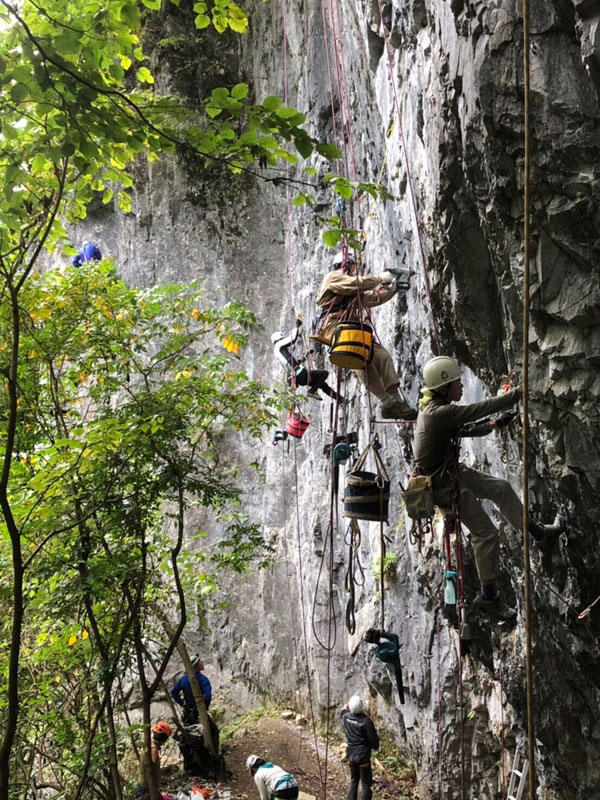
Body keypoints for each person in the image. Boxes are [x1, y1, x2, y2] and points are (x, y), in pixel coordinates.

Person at [413, 356, 565, 621]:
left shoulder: (437, 409)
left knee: (500, 488)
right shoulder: (438, 414)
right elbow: (477, 410)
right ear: (444, 387)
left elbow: (464, 429)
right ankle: (488, 596)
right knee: (486, 534)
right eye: (457, 382)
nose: (461, 386)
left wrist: (495, 424)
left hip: (449, 473)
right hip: (443, 486)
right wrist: (516, 394)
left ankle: (540, 534)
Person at [313, 251, 415, 419]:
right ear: (348, 265)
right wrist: (380, 279)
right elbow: (356, 283)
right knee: (359, 358)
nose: (355, 270)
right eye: (354, 267)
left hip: (351, 329)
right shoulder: (333, 278)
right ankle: (386, 401)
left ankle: (396, 402)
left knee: (383, 357)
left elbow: (372, 298)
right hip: (335, 327)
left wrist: (394, 287)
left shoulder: (350, 290)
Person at [272, 318, 346, 403]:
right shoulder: (278, 345)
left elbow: (290, 365)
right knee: (324, 373)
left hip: (300, 379)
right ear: (279, 338)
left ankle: (342, 400)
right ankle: (311, 391)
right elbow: (292, 339)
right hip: (301, 374)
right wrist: (297, 326)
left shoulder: (279, 354)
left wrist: (304, 357)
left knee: (323, 385)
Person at [340, 695, 379, 800]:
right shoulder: (366, 721)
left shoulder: (346, 717)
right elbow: (374, 741)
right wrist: (375, 747)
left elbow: (342, 714)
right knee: (366, 783)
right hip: (363, 757)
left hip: (352, 755)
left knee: (354, 780)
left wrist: (345, 708)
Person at [170, 655, 212, 724]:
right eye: (199, 662)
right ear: (196, 665)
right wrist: (205, 707)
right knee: (213, 729)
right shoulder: (203, 679)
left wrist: (182, 703)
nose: (202, 662)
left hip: (187, 712)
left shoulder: (183, 679)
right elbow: (208, 696)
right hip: (199, 711)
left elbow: (173, 692)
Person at [136, 721, 171, 799]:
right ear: (163, 739)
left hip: (143, 784)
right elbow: (150, 771)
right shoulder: (153, 750)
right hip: (147, 787)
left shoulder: (148, 743)